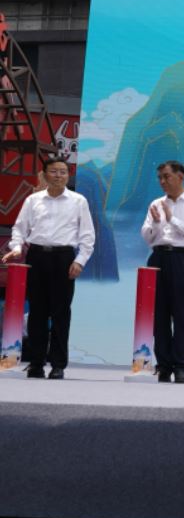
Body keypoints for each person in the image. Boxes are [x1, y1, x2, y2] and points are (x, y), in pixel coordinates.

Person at [2, 155, 95, 379]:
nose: (58, 176)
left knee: (61, 313)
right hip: (37, 257)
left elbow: (87, 235)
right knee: (37, 312)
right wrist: (16, 247)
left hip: (64, 258)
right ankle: (35, 363)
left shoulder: (78, 201)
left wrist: (79, 261)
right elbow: (19, 229)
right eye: (54, 171)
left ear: (68, 175)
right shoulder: (33, 200)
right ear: (45, 175)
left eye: (63, 172)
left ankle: (58, 364)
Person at [141, 160, 184, 384]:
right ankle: (163, 365)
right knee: (158, 314)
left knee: (181, 313)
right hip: (158, 257)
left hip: (183, 259)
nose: (163, 181)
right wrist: (157, 223)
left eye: (167, 176)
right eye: (160, 177)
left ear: (180, 176)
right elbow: (147, 236)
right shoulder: (156, 203)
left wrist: (172, 220)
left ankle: (181, 366)